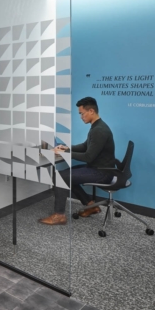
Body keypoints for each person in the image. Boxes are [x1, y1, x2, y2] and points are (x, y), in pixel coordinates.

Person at [39, 96, 118, 226]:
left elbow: (88, 157)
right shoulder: (97, 126)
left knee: (61, 177)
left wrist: (64, 153)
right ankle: (90, 205)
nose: (81, 117)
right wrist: (67, 148)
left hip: (102, 173)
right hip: (98, 168)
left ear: (91, 111)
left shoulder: (99, 130)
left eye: (82, 113)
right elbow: (85, 146)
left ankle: (59, 216)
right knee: (66, 175)